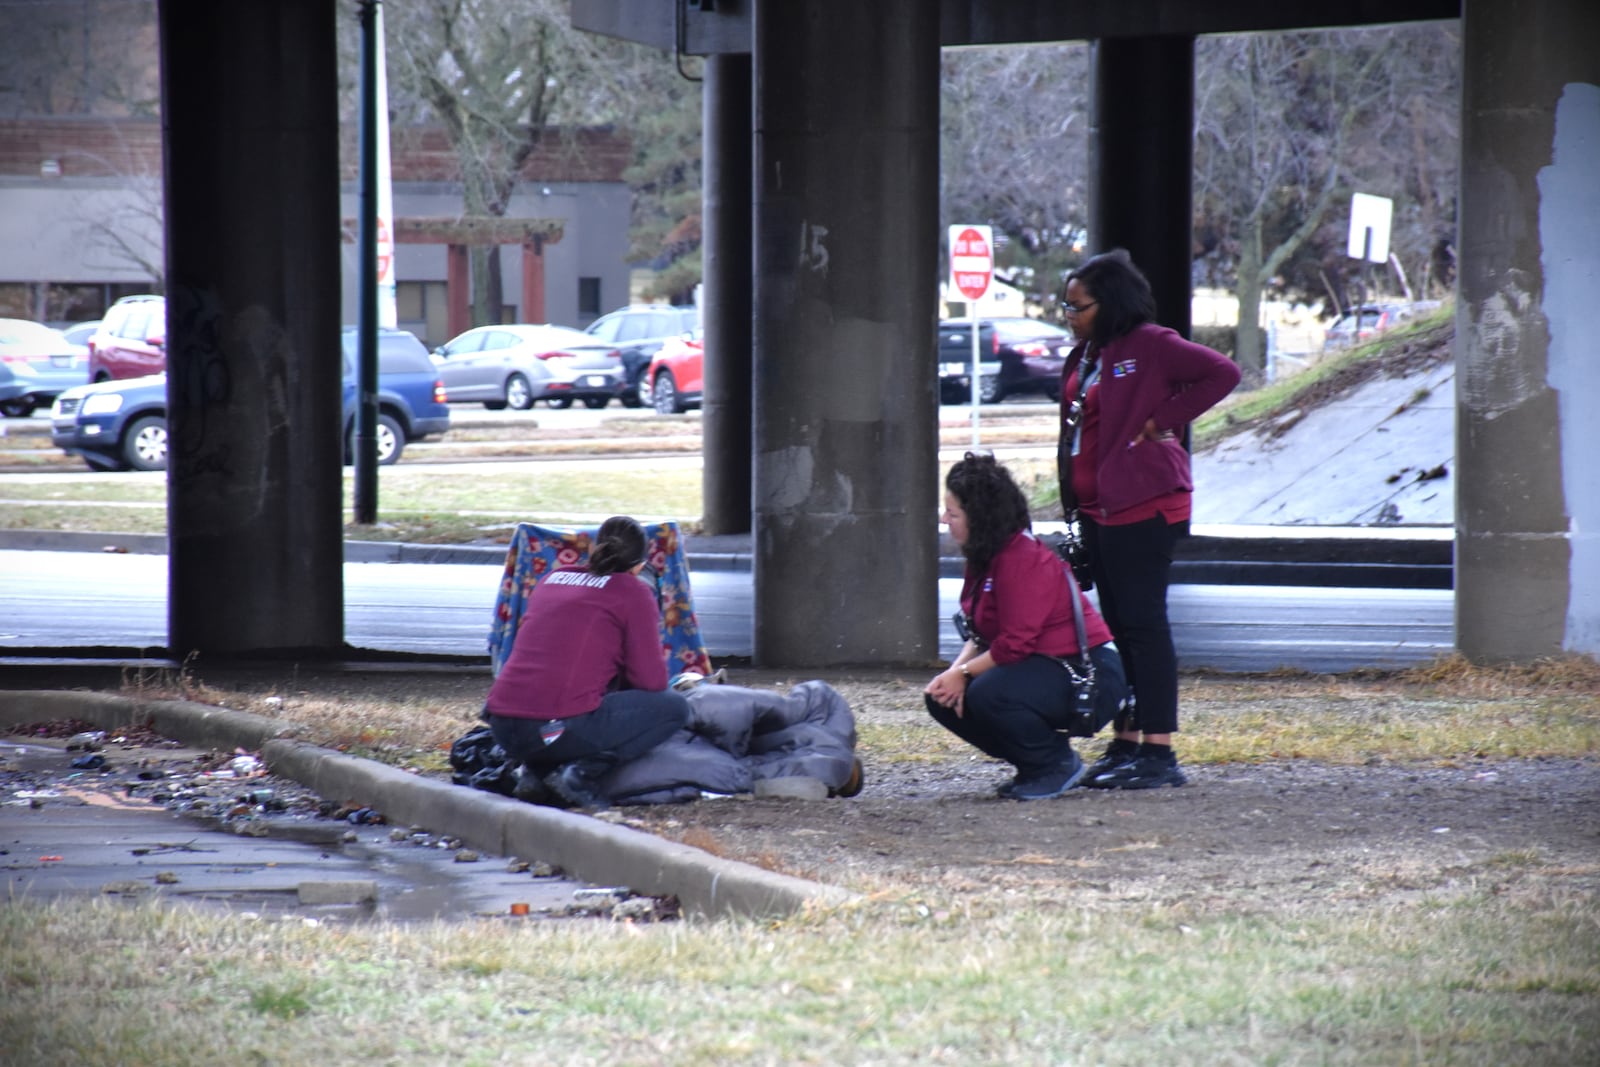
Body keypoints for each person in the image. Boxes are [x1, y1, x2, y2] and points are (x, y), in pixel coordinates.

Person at [1057, 249, 1241, 789]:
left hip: (1144, 506)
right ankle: (1127, 742)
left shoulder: (1151, 345)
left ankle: (1158, 753)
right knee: (1116, 628)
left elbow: (1222, 372)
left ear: (1108, 302)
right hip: (1098, 510)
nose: (1068, 315)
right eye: (1065, 306)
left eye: (1078, 306)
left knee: (1142, 624)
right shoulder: (1089, 353)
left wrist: (1164, 420)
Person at [924, 452, 1130, 801]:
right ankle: (1035, 764)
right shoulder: (985, 557)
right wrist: (953, 674)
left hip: (1090, 672)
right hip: (1045, 669)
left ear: (980, 518)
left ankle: (1054, 764)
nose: (944, 519)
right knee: (941, 697)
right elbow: (981, 634)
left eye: (953, 513)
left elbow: (1015, 644)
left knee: (987, 693)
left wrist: (965, 674)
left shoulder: (1021, 559)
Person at [482, 515, 690, 809]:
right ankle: (578, 774)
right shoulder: (634, 592)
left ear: (594, 547)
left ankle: (535, 771)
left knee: (576, 698)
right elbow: (651, 682)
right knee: (673, 709)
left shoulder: (552, 578)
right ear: (641, 564)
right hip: (552, 730)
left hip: (503, 728)